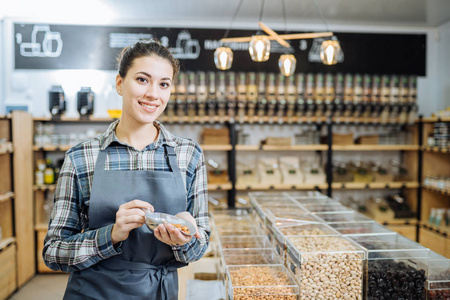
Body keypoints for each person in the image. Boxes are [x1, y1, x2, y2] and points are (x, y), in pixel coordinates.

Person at [43, 40, 210, 300]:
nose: (154, 94)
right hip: (93, 292)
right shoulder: (81, 157)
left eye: (164, 84)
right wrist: (111, 235)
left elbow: (200, 245)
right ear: (120, 84)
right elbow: (53, 253)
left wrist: (185, 240)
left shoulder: (189, 154)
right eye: (142, 80)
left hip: (159, 291)